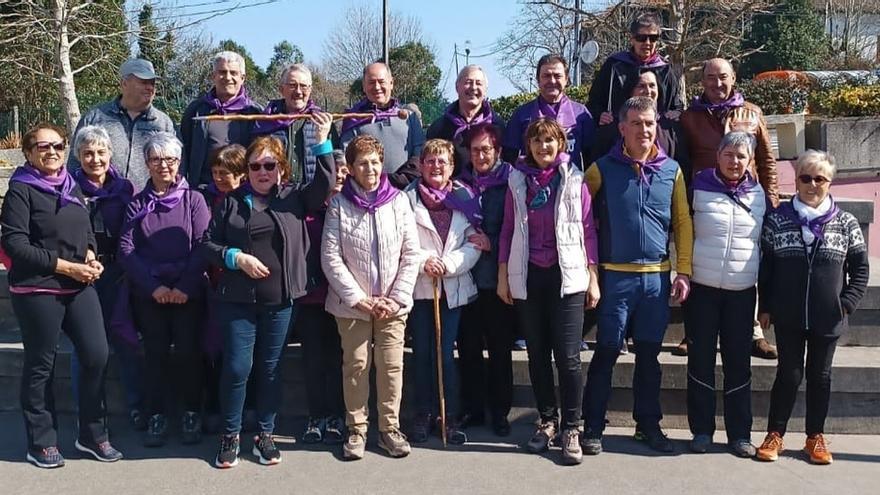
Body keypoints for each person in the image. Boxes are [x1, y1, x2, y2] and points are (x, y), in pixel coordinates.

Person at [202, 113, 335, 468]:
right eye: (256, 165)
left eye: (270, 165)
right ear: (247, 170)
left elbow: (324, 184)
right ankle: (230, 436)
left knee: (270, 368)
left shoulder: (294, 198)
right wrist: (235, 257)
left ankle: (265, 434)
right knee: (237, 367)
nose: (263, 171)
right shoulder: (231, 201)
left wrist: (322, 140)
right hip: (237, 301)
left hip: (280, 302)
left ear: (281, 169)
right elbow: (207, 244)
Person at [1, 123, 122, 468]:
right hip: (37, 288)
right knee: (42, 365)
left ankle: (91, 434)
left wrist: (89, 254)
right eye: (42, 147)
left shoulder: (70, 185)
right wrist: (67, 267)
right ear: (28, 153)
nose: (51, 152)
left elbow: (84, 231)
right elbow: (15, 244)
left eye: (56, 145)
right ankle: (41, 441)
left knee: (97, 354)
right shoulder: (21, 191)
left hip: (78, 285)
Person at [581, 96, 693, 456]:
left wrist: (684, 270)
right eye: (637, 123)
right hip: (615, 278)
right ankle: (592, 427)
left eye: (650, 123)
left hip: (656, 280)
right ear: (622, 128)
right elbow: (581, 222)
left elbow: (682, 222)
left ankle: (648, 426)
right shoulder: (600, 169)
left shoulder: (671, 170)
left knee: (649, 358)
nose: (645, 130)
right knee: (607, 353)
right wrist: (591, 271)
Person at [755, 150, 869, 465]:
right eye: (805, 177)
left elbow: (860, 269)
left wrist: (846, 303)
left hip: (828, 317)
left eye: (820, 179)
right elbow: (767, 269)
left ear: (829, 182)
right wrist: (765, 306)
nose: (812, 184)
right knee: (788, 374)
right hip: (788, 315)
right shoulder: (777, 219)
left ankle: (814, 437)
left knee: (820, 376)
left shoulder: (845, 222)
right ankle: (774, 433)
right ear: (798, 179)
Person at [498, 118, 600, 465]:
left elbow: (588, 229)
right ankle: (548, 420)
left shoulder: (574, 179)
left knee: (568, 356)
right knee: (537, 354)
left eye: (550, 141)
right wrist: (503, 275)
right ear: (528, 146)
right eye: (538, 141)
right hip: (529, 275)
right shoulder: (516, 180)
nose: (544, 147)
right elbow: (508, 229)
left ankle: (572, 425)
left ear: (561, 145)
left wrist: (593, 275)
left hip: (566, 275)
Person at [321, 135, 420, 460]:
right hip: (352, 306)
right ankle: (357, 429)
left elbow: (411, 252)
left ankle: (389, 429)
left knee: (391, 366)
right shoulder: (338, 203)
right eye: (362, 163)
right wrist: (357, 298)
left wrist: (396, 296)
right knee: (357, 365)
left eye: (375, 162)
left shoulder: (399, 201)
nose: (370, 168)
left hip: (393, 303)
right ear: (350, 168)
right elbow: (331, 257)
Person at [679, 57, 780, 359]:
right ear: (702, 81)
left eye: (723, 77)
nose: (717, 83)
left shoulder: (753, 114)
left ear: (734, 78)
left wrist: (772, 199)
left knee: (747, 260)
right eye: (710, 77)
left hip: (747, 200)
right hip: (704, 201)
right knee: (698, 264)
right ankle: (691, 332)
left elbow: (766, 160)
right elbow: (682, 162)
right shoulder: (690, 118)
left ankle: (754, 332)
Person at [118, 133, 210, 448]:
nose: (164, 166)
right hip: (150, 293)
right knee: (154, 354)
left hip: (188, 291)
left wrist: (184, 286)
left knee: (188, 353)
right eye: (156, 160)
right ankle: (155, 413)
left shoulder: (194, 199)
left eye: (170, 159)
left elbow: (202, 245)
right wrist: (153, 286)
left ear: (179, 162)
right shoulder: (137, 204)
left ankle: (191, 412)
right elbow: (127, 248)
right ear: (147, 164)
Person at [685, 132, 766, 458]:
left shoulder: (758, 194)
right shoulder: (698, 187)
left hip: (741, 291)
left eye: (741, 156)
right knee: (701, 361)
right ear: (717, 156)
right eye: (729, 154)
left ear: (749, 161)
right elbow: (682, 228)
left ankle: (740, 434)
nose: (734, 162)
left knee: (738, 364)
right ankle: (702, 430)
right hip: (702, 289)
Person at [406, 139, 482, 446]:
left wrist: (448, 264)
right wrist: (426, 262)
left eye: (443, 161)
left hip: (452, 287)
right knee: (422, 354)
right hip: (421, 288)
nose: (436, 166)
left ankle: (449, 415)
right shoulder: (405, 199)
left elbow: (474, 242)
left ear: (452, 167)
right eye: (431, 161)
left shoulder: (465, 197)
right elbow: (402, 240)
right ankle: (423, 413)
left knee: (445, 355)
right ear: (421, 165)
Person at [69, 126, 143, 432]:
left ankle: (138, 405)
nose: (95, 159)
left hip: (119, 274)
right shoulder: (69, 188)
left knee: (127, 340)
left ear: (110, 154)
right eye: (87, 153)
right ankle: (87, 410)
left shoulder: (125, 188)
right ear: (78, 157)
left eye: (100, 152)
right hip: (81, 275)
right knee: (85, 345)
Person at [456, 123, 516, 437]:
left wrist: (491, 240)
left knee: (499, 349)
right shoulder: (460, 185)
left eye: (486, 150)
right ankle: (473, 409)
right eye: (475, 149)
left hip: (497, 280)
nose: (480, 155)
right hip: (466, 281)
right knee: (468, 349)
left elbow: (517, 227)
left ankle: (500, 412)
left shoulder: (510, 183)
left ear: (497, 151)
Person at [297, 150, 348, 445]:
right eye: (335, 171)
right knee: (313, 359)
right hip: (312, 296)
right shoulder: (307, 207)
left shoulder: (354, 206)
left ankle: (337, 416)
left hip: (345, 297)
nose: (340, 176)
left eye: (344, 171)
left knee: (340, 359)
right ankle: (316, 416)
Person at [70, 59, 175, 191]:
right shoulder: (95, 117)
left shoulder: (163, 123)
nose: (150, 87)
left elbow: (176, 167)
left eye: (152, 83)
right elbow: (74, 162)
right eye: (143, 82)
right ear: (124, 83)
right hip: (102, 202)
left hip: (146, 204)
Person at [180, 51, 262, 187]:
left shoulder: (255, 113)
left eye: (233, 73)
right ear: (213, 76)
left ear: (243, 78)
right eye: (222, 72)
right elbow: (183, 152)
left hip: (243, 191)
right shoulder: (196, 110)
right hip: (203, 190)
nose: (228, 77)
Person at [252, 63, 342, 186]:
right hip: (275, 193)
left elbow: (335, 157)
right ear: (281, 89)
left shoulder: (322, 121)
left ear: (310, 90)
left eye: (304, 86)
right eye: (292, 85)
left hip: (313, 192)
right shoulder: (266, 121)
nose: (298, 91)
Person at [340, 62, 426, 188]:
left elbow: (419, 154)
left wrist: (399, 180)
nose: (377, 87)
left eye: (381, 81)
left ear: (391, 83)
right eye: (371, 82)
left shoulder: (409, 118)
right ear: (364, 86)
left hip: (407, 191)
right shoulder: (354, 119)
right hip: (368, 193)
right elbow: (347, 158)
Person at [502, 54, 595, 169]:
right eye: (546, 76)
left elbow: (591, 158)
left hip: (570, 183)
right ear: (538, 80)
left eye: (557, 76)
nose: (552, 81)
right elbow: (509, 158)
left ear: (566, 79)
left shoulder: (581, 114)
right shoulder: (521, 115)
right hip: (530, 184)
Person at [589, 71, 689, 176]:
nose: (648, 91)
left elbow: (683, 168)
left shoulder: (670, 128)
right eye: (641, 86)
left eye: (652, 86)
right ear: (631, 91)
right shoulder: (611, 129)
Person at [587, 12, 682, 121]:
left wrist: (675, 114)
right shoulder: (614, 66)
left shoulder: (665, 69)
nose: (647, 43)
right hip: (619, 131)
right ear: (631, 39)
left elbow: (677, 106)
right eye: (641, 38)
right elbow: (593, 103)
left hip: (656, 132)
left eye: (653, 38)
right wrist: (600, 115)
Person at [426, 65, 505, 174]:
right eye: (468, 82)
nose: (473, 87)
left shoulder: (497, 125)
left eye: (478, 83)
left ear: (485, 90)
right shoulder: (439, 127)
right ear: (457, 87)